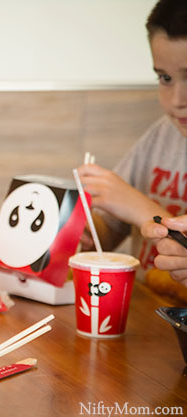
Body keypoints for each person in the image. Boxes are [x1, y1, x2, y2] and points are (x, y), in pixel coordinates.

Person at [76, 0, 187, 289]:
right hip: (143, 313)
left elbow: (130, 205)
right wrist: (82, 232)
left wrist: (140, 208)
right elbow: (110, 227)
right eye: (165, 78)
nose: (177, 100)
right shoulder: (164, 134)